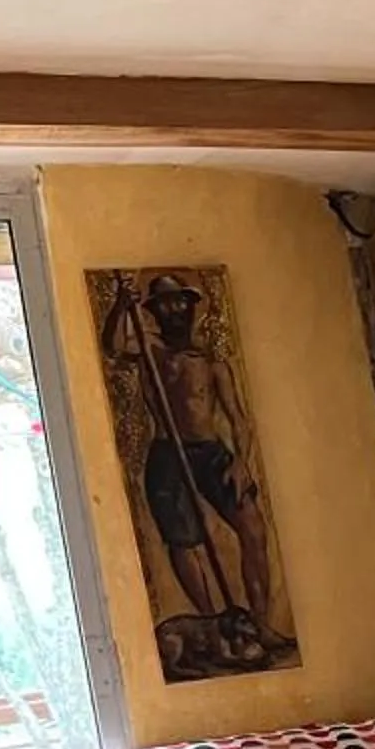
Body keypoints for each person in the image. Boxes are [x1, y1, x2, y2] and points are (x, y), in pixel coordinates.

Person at [104, 272, 285, 666]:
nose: (174, 310)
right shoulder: (149, 348)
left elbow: (238, 417)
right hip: (169, 453)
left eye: (180, 302)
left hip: (211, 453)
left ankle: (260, 622)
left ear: (190, 307)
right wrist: (121, 304)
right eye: (165, 304)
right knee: (184, 541)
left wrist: (242, 460)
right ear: (154, 311)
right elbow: (114, 347)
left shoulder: (211, 363)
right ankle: (211, 622)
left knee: (253, 527)